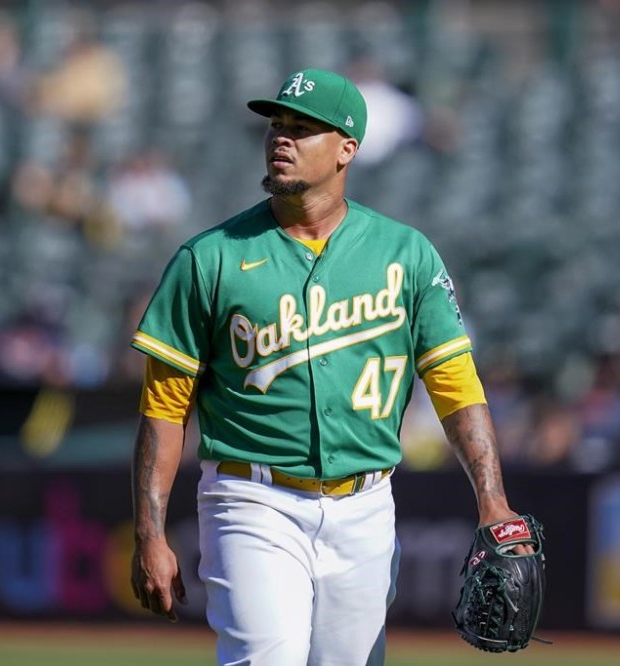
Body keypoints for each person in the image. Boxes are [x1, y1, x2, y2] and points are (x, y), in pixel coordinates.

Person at [128, 68, 530, 666]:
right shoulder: (208, 258)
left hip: (366, 505)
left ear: (347, 150)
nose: (281, 138)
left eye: (303, 128)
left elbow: (455, 387)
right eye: (277, 125)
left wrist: (492, 500)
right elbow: (163, 408)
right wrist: (149, 532)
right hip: (251, 497)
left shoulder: (405, 254)